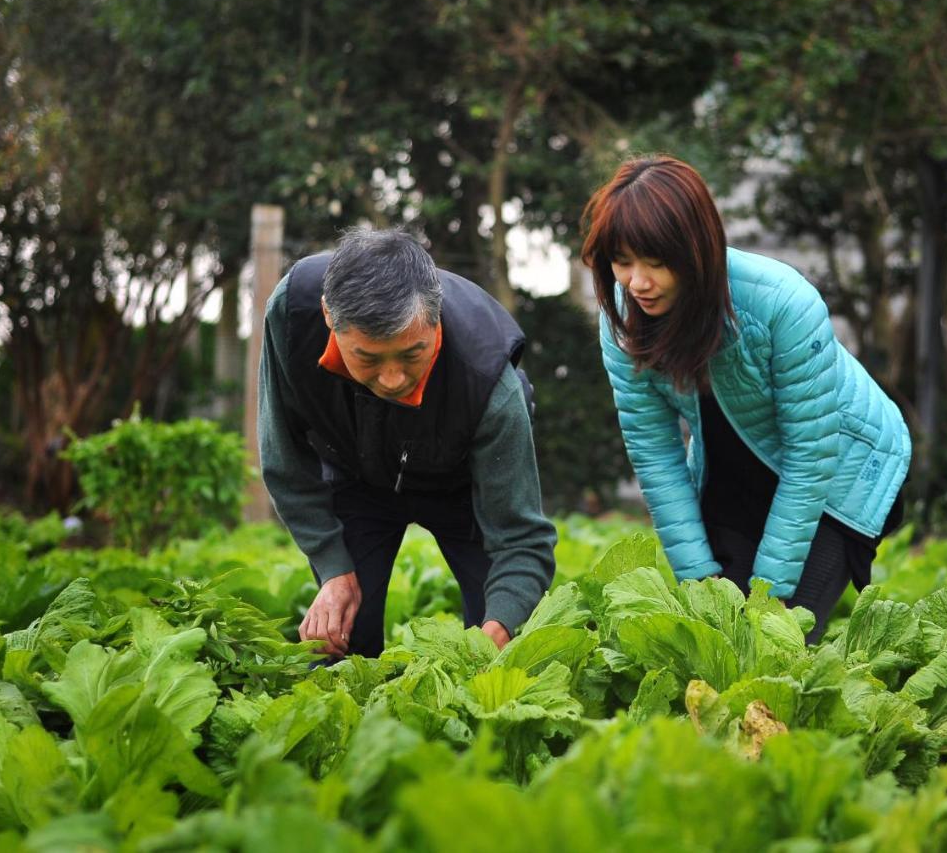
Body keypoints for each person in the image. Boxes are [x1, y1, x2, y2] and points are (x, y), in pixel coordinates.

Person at [582, 156, 910, 642]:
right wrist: (698, 576)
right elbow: (656, 456)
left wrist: (772, 588)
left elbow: (809, 454)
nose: (637, 282)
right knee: (715, 631)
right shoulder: (623, 318)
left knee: (780, 639)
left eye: (656, 262)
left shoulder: (783, 303)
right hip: (735, 465)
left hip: (839, 468)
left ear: (697, 251)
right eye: (623, 260)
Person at [258, 227, 556, 658]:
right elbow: (285, 460)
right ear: (328, 315)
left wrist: (503, 624)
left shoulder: (488, 381)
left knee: (505, 647)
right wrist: (332, 567)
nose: (393, 378)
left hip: (463, 488)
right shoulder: (292, 314)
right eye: (369, 358)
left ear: (435, 320)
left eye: (411, 354)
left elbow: (522, 537)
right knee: (341, 646)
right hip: (356, 477)